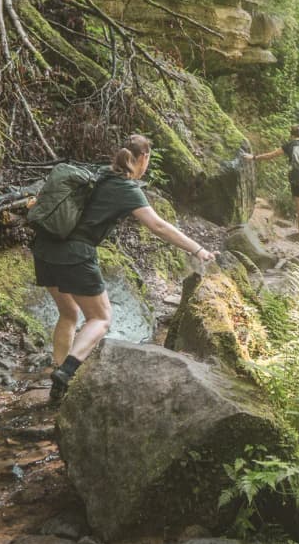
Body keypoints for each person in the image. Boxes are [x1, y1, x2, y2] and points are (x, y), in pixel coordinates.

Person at [33, 134, 215, 403]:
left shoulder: (99, 173)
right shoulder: (126, 188)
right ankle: (67, 371)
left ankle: (57, 376)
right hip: (75, 254)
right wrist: (197, 249)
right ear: (144, 158)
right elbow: (158, 226)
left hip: (45, 247)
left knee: (68, 312)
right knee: (101, 318)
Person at [245, 125, 299, 244]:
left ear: (292, 135)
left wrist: (254, 157)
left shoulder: (289, 146)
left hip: (297, 183)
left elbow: (270, 155)